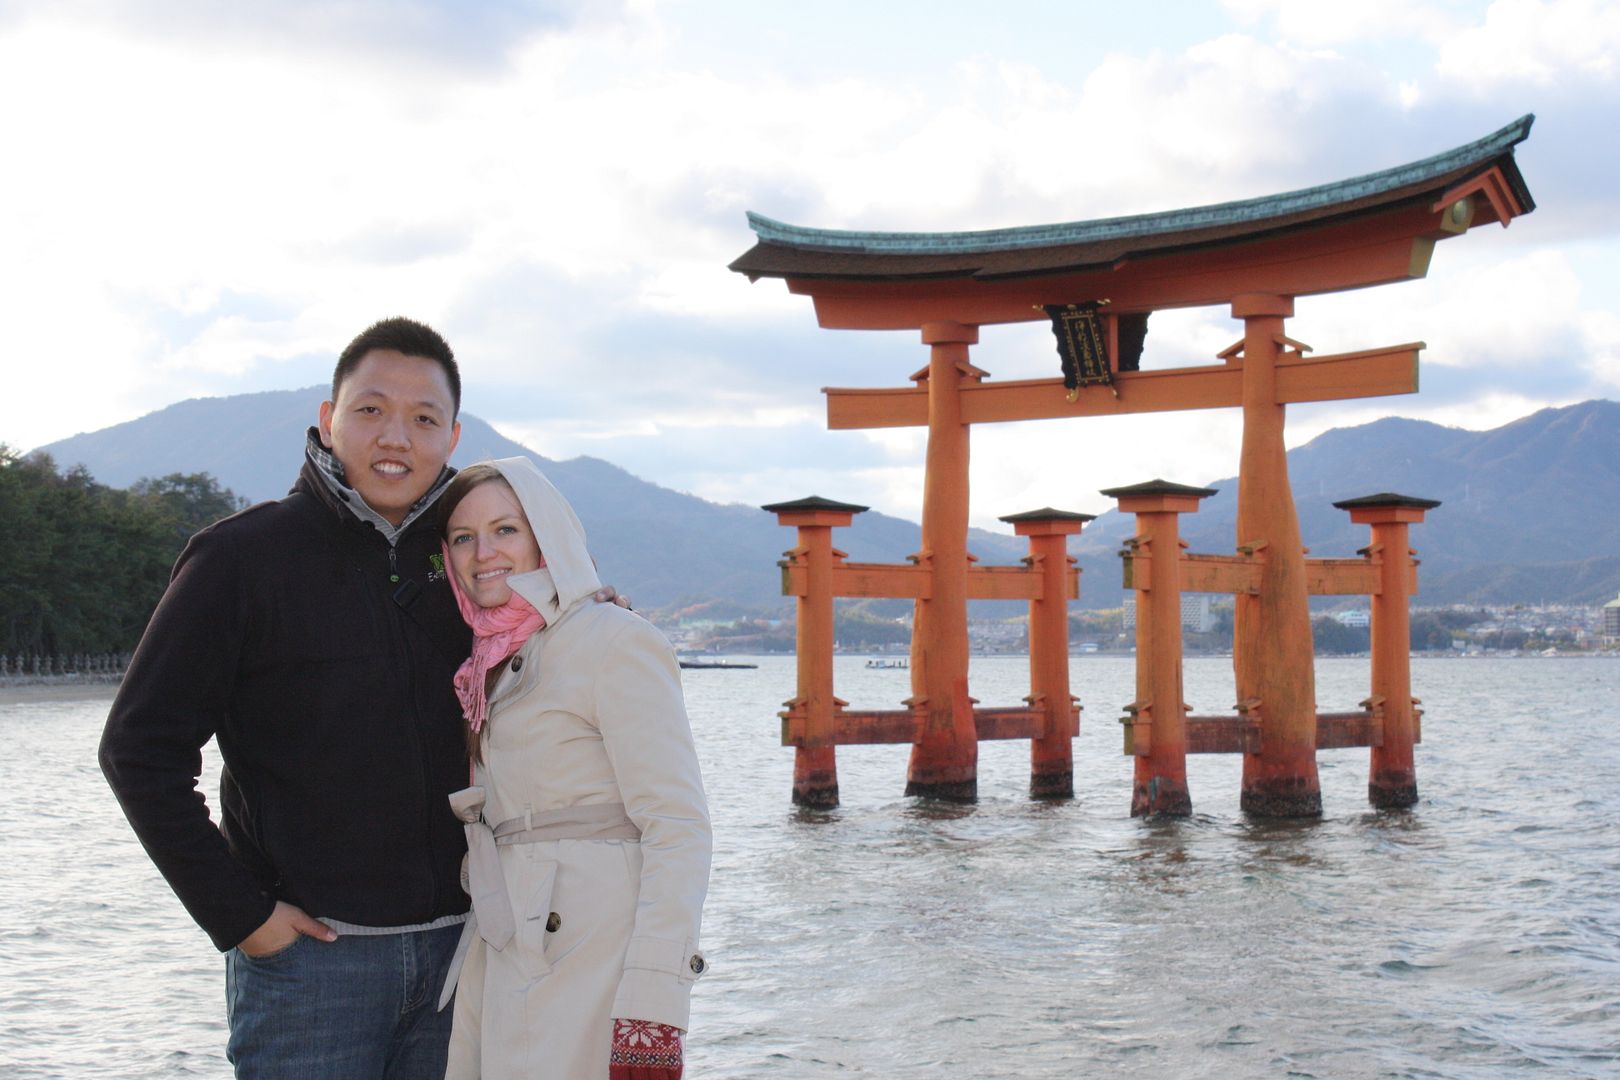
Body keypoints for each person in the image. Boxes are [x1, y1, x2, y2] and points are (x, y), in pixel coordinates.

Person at [101, 317, 477, 1079]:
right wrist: (243, 916)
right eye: (370, 409)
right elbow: (138, 750)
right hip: (312, 965)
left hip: (466, 957)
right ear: (327, 421)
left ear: (453, 438)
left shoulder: (476, 560)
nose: (395, 436)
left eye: (423, 418)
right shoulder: (242, 557)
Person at [436, 457, 711, 1080]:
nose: (484, 552)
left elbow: (678, 825)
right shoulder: (486, 663)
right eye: (462, 537)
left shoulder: (612, 639)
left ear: (546, 536)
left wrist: (653, 1007)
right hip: (506, 939)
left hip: (594, 952)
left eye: (506, 529)